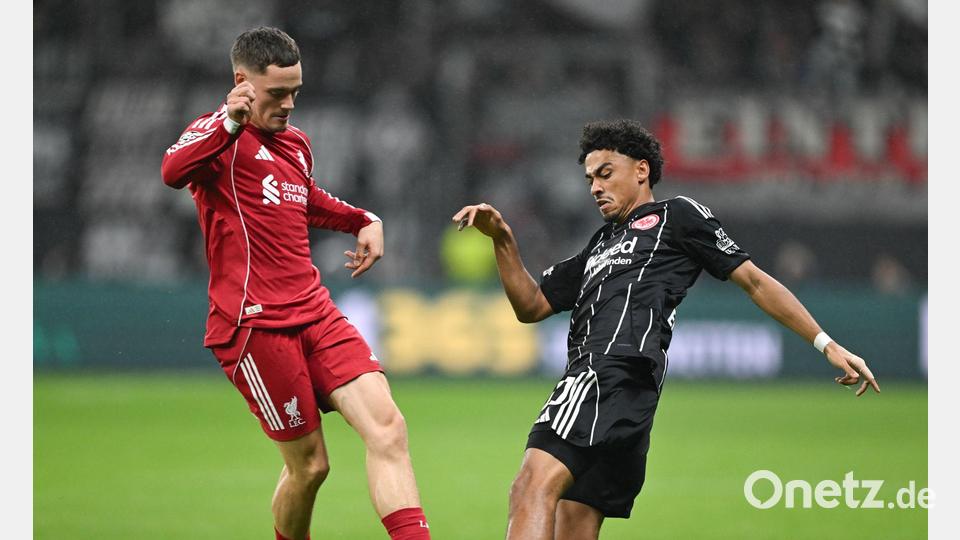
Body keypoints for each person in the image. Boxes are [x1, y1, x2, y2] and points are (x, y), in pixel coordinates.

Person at [452, 119, 880, 540]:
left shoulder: (676, 216)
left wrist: (825, 343)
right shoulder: (599, 245)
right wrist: (503, 240)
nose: (595, 187)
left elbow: (753, 280)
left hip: (604, 377)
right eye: (589, 180)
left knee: (530, 488)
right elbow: (532, 305)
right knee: (573, 525)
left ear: (641, 170)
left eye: (605, 173)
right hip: (629, 399)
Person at [160, 27, 430, 540]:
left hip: (315, 311)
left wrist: (362, 218)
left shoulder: (296, 144)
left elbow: (303, 200)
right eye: (277, 93)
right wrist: (227, 121)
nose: (288, 104)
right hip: (254, 326)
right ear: (242, 82)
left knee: (388, 427)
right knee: (310, 468)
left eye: (295, 92)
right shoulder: (216, 139)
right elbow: (172, 170)